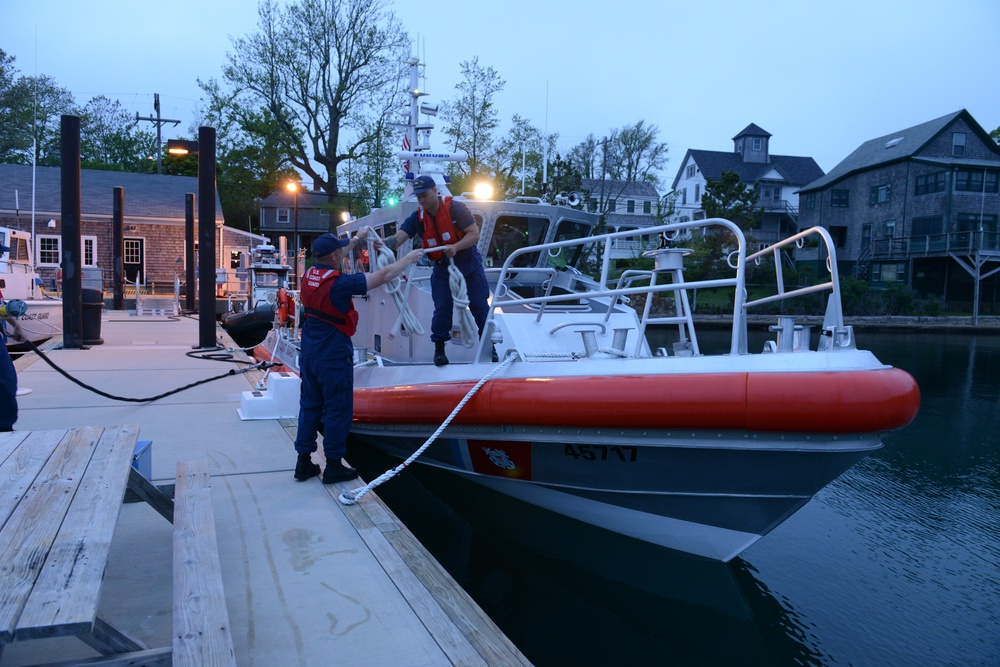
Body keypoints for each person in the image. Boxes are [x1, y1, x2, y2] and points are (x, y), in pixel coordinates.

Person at [293, 230, 423, 483]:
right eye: (340, 251)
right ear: (333, 256)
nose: (343, 252)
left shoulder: (309, 275)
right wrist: (408, 259)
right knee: (337, 409)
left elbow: (339, 248)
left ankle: (303, 462)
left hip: (310, 353)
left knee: (309, 406)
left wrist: (356, 239)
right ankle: (333, 465)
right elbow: (383, 275)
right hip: (333, 356)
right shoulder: (341, 285)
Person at [380, 174, 491, 366]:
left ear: (434, 191)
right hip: (442, 269)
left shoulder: (456, 209)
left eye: (425, 195)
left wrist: (456, 247)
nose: (422, 200)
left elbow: (474, 235)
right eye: (418, 196)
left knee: (480, 307)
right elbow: (399, 237)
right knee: (442, 309)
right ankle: (439, 350)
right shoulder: (417, 218)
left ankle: (490, 348)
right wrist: (384, 244)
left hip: (469, 265)